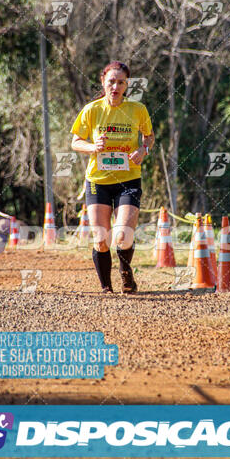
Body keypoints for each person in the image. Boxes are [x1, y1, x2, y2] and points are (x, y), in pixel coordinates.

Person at [71, 61, 155, 294]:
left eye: (121, 82)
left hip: (128, 180)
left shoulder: (138, 110)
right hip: (98, 181)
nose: (115, 87)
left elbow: (149, 137)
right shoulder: (92, 110)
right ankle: (106, 287)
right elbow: (75, 142)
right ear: (103, 82)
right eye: (111, 82)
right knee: (100, 239)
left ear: (127, 85)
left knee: (123, 236)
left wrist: (143, 150)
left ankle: (126, 275)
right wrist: (93, 147)